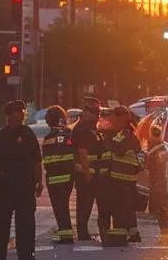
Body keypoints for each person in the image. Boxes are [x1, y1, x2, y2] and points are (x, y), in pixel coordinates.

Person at [0, 99, 42, 260]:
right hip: (6, 184)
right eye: (14, 114)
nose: (17, 117)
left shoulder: (28, 135)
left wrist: (39, 181)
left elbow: (36, 161)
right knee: (2, 221)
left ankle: (23, 257)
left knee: (23, 221)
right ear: (8, 116)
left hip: (23, 184)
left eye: (19, 113)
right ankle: (0, 257)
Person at [100, 106, 143, 248]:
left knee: (119, 209)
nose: (110, 119)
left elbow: (116, 148)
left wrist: (106, 136)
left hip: (120, 178)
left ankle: (119, 237)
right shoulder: (131, 134)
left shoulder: (123, 134)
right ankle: (133, 233)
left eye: (113, 116)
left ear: (120, 119)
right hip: (128, 179)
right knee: (128, 208)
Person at [39, 105, 77, 243]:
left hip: (54, 178)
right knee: (63, 204)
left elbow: (46, 160)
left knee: (59, 206)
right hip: (68, 177)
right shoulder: (69, 133)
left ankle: (65, 234)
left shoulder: (49, 137)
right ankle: (65, 231)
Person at [71, 97, 103, 241]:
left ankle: (88, 232)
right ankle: (82, 233)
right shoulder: (81, 129)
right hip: (85, 173)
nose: (97, 115)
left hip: (95, 172)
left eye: (98, 112)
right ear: (85, 112)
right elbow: (82, 152)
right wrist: (88, 175)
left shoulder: (94, 128)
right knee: (84, 204)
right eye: (93, 112)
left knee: (91, 204)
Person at [143, 120, 168, 242]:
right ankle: (164, 234)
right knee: (157, 209)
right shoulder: (153, 148)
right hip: (155, 182)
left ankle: (165, 234)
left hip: (159, 182)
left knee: (161, 209)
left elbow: (161, 166)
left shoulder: (160, 149)